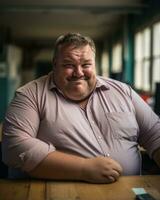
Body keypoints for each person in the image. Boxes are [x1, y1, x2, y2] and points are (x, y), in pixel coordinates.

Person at [2, 33, 160, 184]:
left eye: (86, 64)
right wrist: (83, 169)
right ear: (55, 64)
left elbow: (154, 133)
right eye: (68, 65)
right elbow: (15, 148)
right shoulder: (30, 95)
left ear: (94, 64)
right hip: (59, 192)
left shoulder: (123, 92)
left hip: (130, 191)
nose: (78, 72)